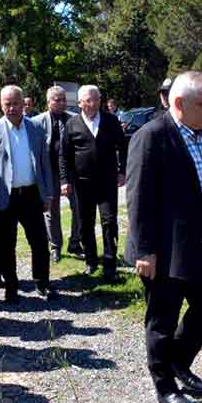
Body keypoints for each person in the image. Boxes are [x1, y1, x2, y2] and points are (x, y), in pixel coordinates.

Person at [125, 71, 202, 403]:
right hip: (165, 250)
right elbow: (138, 197)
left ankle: (177, 361)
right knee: (162, 320)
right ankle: (165, 386)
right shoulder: (152, 136)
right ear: (178, 103)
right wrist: (145, 250)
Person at [0, 85, 54, 303]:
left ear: (24, 104)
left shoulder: (36, 128)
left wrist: (48, 194)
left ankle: (42, 284)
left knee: (40, 243)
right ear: (1, 105)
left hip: (31, 194)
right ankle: (11, 287)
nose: (12, 108)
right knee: (6, 246)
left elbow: (44, 163)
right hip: (4, 197)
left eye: (15, 103)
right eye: (7, 104)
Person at [60, 84, 127, 281]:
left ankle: (110, 264)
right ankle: (91, 261)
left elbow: (123, 146)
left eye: (97, 99)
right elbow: (64, 155)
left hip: (107, 182)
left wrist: (122, 171)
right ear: (80, 103)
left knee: (109, 221)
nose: (93, 103)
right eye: (89, 100)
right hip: (82, 184)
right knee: (86, 224)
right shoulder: (72, 124)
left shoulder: (110, 120)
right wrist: (64, 180)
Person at [33, 85, 83, 262]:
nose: (62, 103)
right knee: (52, 212)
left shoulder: (74, 119)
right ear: (48, 102)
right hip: (49, 173)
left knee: (79, 208)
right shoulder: (37, 122)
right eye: (57, 100)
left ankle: (75, 242)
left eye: (64, 100)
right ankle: (55, 246)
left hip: (71, 172)